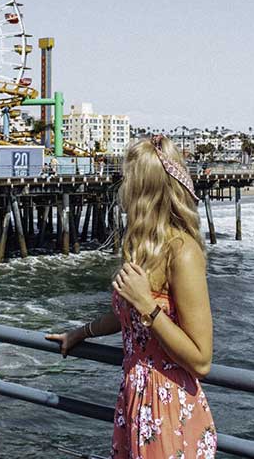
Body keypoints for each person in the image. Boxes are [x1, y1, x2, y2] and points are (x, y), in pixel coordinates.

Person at [47, 135, 216, 458]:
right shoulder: (145, 249)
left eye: (128, 179)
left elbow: (201, 359)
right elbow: (128, 317)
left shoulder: (182, 253)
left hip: (169, 408)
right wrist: (80, 333)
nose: (122, 188)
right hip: (136, 401)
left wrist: (147, 306)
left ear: (144, 189)